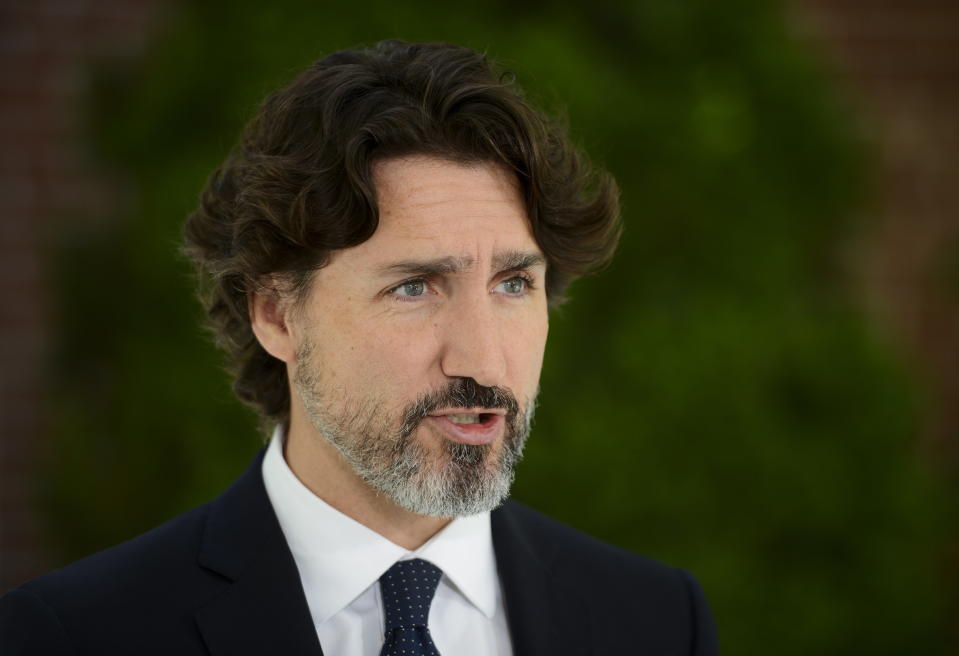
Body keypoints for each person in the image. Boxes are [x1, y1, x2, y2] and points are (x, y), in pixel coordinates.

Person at [0, 40, 718, 655]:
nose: (484, 361)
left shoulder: (654, 622)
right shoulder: (76, 634)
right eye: (415, 287)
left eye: (511, 284)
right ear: (277, 314)